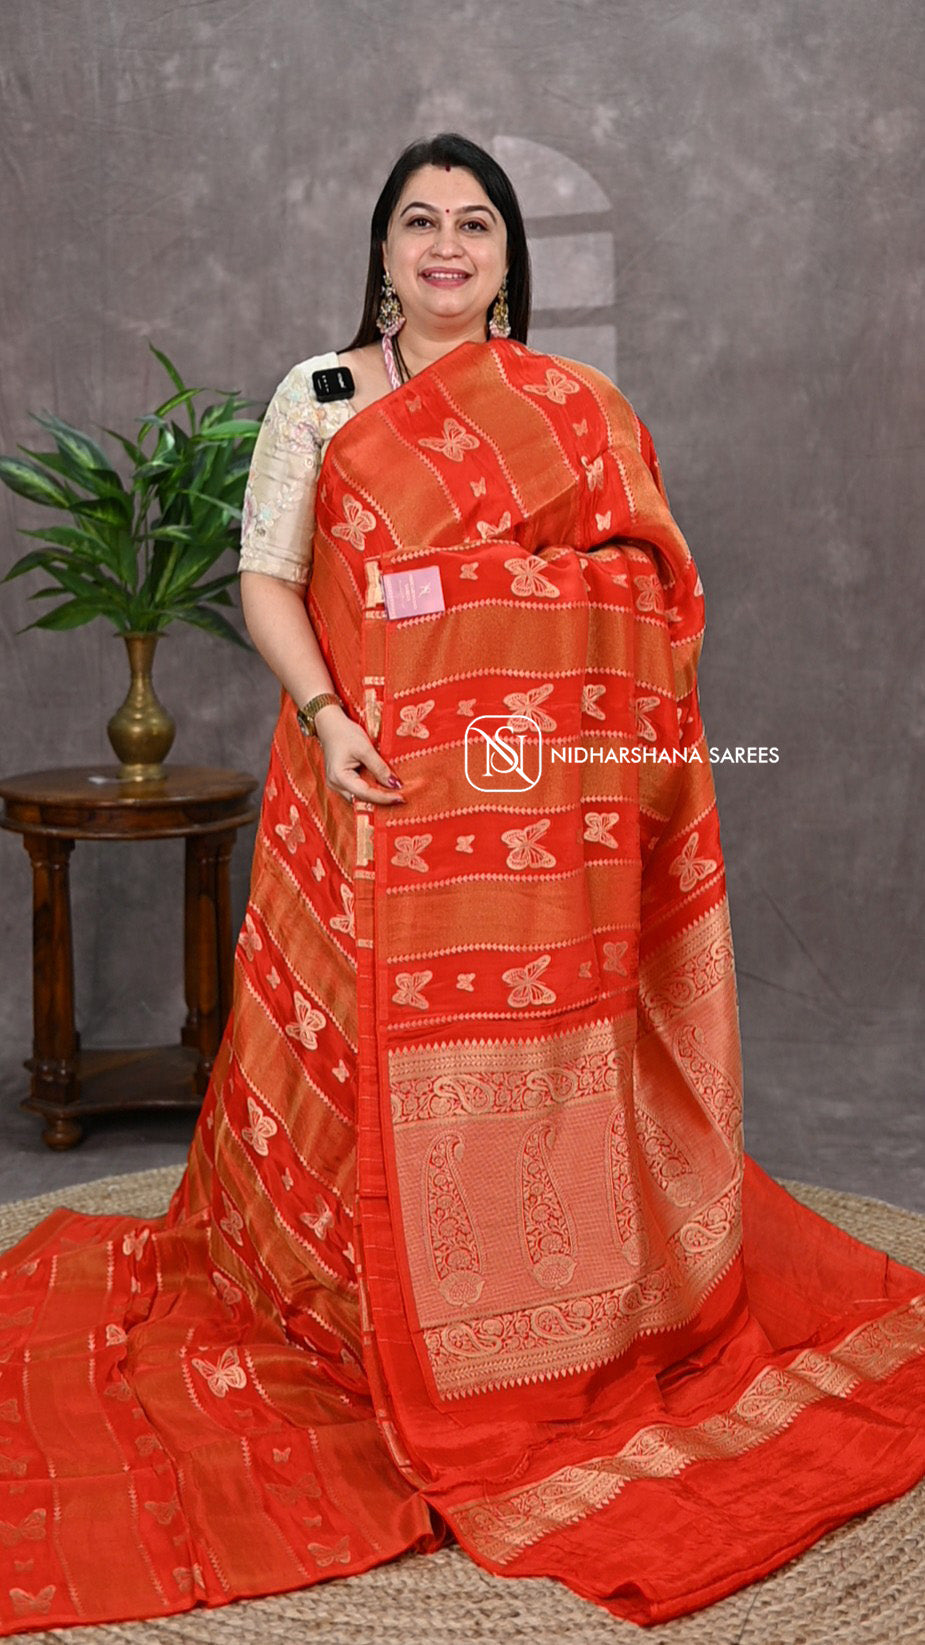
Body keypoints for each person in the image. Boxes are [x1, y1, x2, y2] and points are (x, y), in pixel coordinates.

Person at [0, 131, 922, 1637]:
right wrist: (329, 714)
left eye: (475, 224)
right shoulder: (321, 396)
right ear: (381, 251)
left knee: (541, 1060)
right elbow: (267, 576)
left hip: (533, 814)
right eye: (419, 222)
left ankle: (524, 1318)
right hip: (362, 780)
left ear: (506, 258)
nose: (446, 245)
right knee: (354, 1064)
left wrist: (517, 614)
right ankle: (361, 1307)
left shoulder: (573, 410)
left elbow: (649, 587)